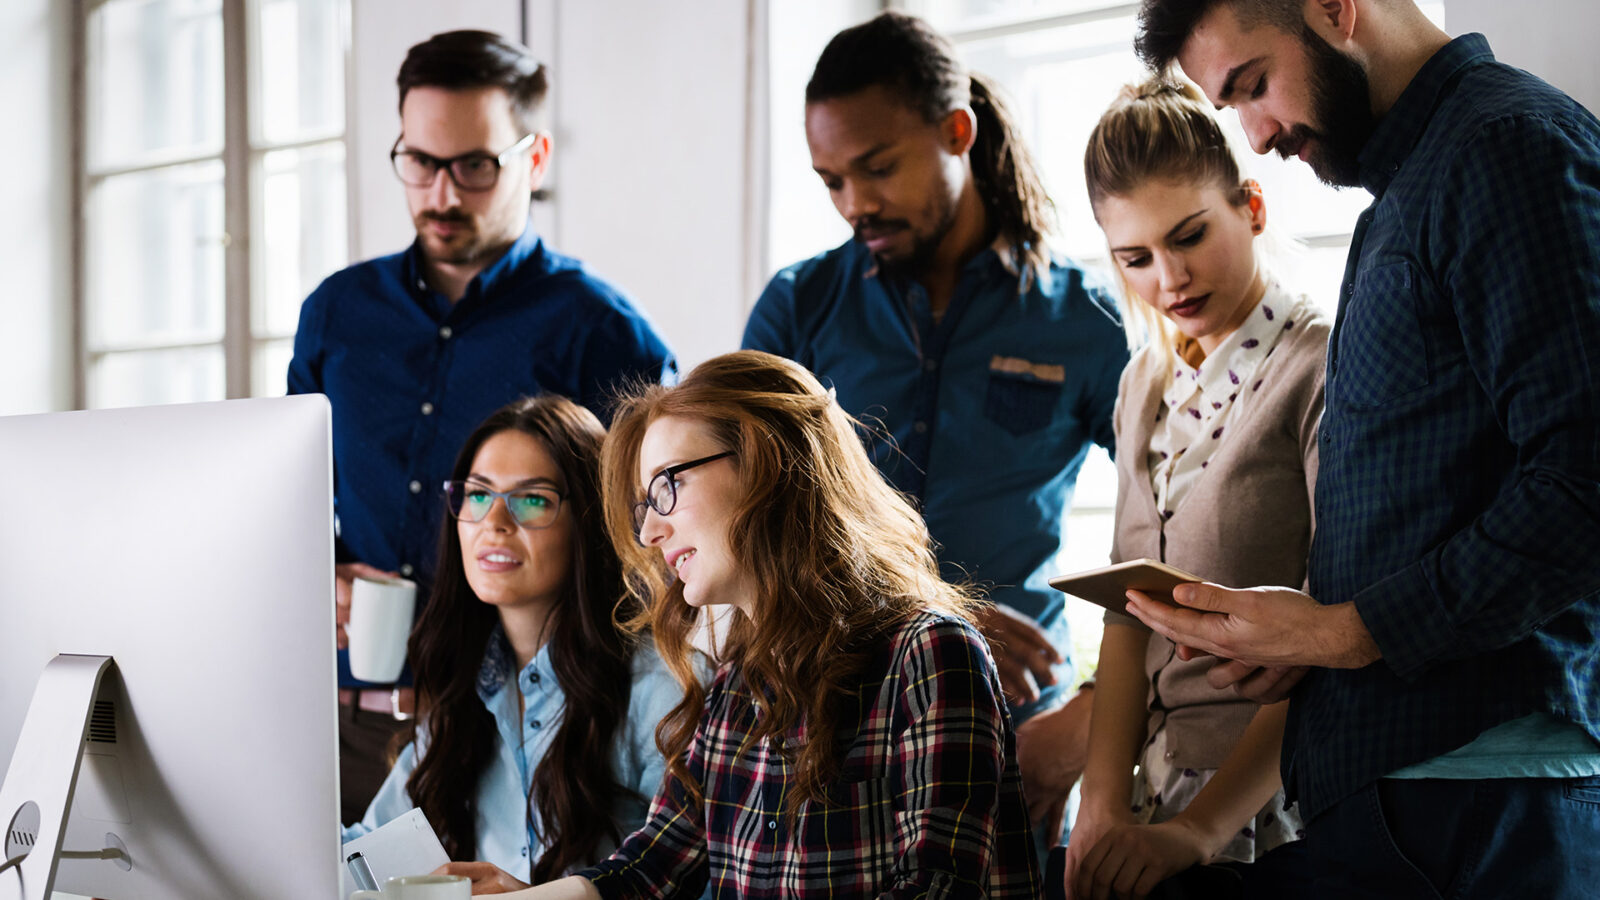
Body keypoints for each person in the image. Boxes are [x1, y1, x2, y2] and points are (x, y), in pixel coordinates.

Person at [1120, 1, 1600, 895]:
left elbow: (1588, 479)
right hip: (1416, 800)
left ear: (1336, 8)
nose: (1256, 137)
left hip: (1486, 800)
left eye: (1253, 86)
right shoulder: (1411, 193)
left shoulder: (1505, 148)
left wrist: (1347, 632)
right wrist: (1309, 634)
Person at [742, 11, 1129, 841]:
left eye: (877, 168)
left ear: (958, 132)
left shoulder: (1088, 322)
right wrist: (931, 607)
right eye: (831, 181)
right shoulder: (798, 308)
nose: (855, 203)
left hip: (1013, 742)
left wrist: (1094, 721)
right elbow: (740, 526)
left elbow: (1178, 519)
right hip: (822, 732)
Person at [287, 29, 675, 822]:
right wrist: (316, 571)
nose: (441, 194)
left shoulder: (601, 330)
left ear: (533, 159)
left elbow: (653, 543)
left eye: (473, 167)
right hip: (333, 723)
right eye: (420, 163)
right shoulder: (336, 313)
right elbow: (285, 497)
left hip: (513, 736)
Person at [490, 350, 1039, 899]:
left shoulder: (929, 653)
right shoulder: (736, 684)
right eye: (644, 507)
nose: (649, 533)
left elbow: (936, 889)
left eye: (666, 486)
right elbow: (648, 871)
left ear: (765, 463)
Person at [1059, 78, 1328, 900]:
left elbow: (1334, 634)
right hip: (1152, 792)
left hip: (1273, 805)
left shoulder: (1320, 361)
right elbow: (1127, 614)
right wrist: (1101, 809)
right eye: (1135, 258)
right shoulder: (1142, 381)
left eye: (1189, 237)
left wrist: (1200, 829)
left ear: (1251, 206)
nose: (1168, 278)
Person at [341, 395, 685, 890]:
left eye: (533, 499)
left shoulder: (658, 685)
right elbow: (369, 853)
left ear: (589, 519)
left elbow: (705, 881)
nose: (495, 522)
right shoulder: (468, 681)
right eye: (478, 495)